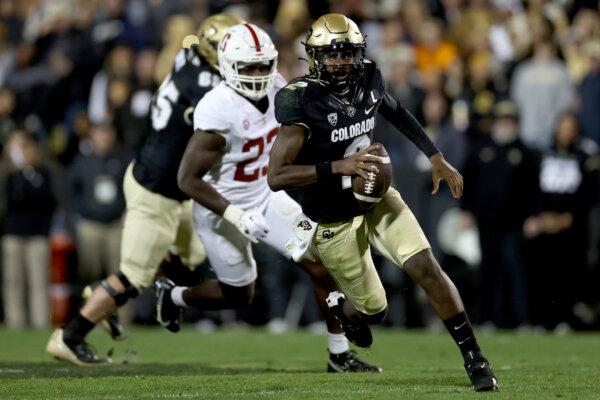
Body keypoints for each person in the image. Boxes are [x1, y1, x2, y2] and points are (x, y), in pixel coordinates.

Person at [267, 14, 498, 391]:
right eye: (332, 54)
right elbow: (276, 175)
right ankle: (342, 309)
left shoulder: (368, 77)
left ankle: (474, 358)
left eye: (347, 53)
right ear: (315, 57)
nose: (341, 61)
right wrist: (339, 166)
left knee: (426, 266)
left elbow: (394, 109)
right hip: (333, 218)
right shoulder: (301, 99)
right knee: (375, 312)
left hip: (376, 197)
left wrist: (433, 154)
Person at [155, 22, 380, 373]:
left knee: (321, 262)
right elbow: (187, 180)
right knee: (238, 294)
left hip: (264, 196)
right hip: (219, 208)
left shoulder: (279, 88)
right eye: (249, 67)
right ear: (228, 67)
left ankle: (339, 355)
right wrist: (235, 216)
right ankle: (173, 296)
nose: (259, 74)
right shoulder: (217, 107)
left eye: (264, 64)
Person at [46, 14, 243, 366]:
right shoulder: (203, 83)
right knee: (134, 276)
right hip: (157, 192)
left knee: (192, 261)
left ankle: (105, 294)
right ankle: (70, 335)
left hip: (175, 188)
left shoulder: (189, 59)